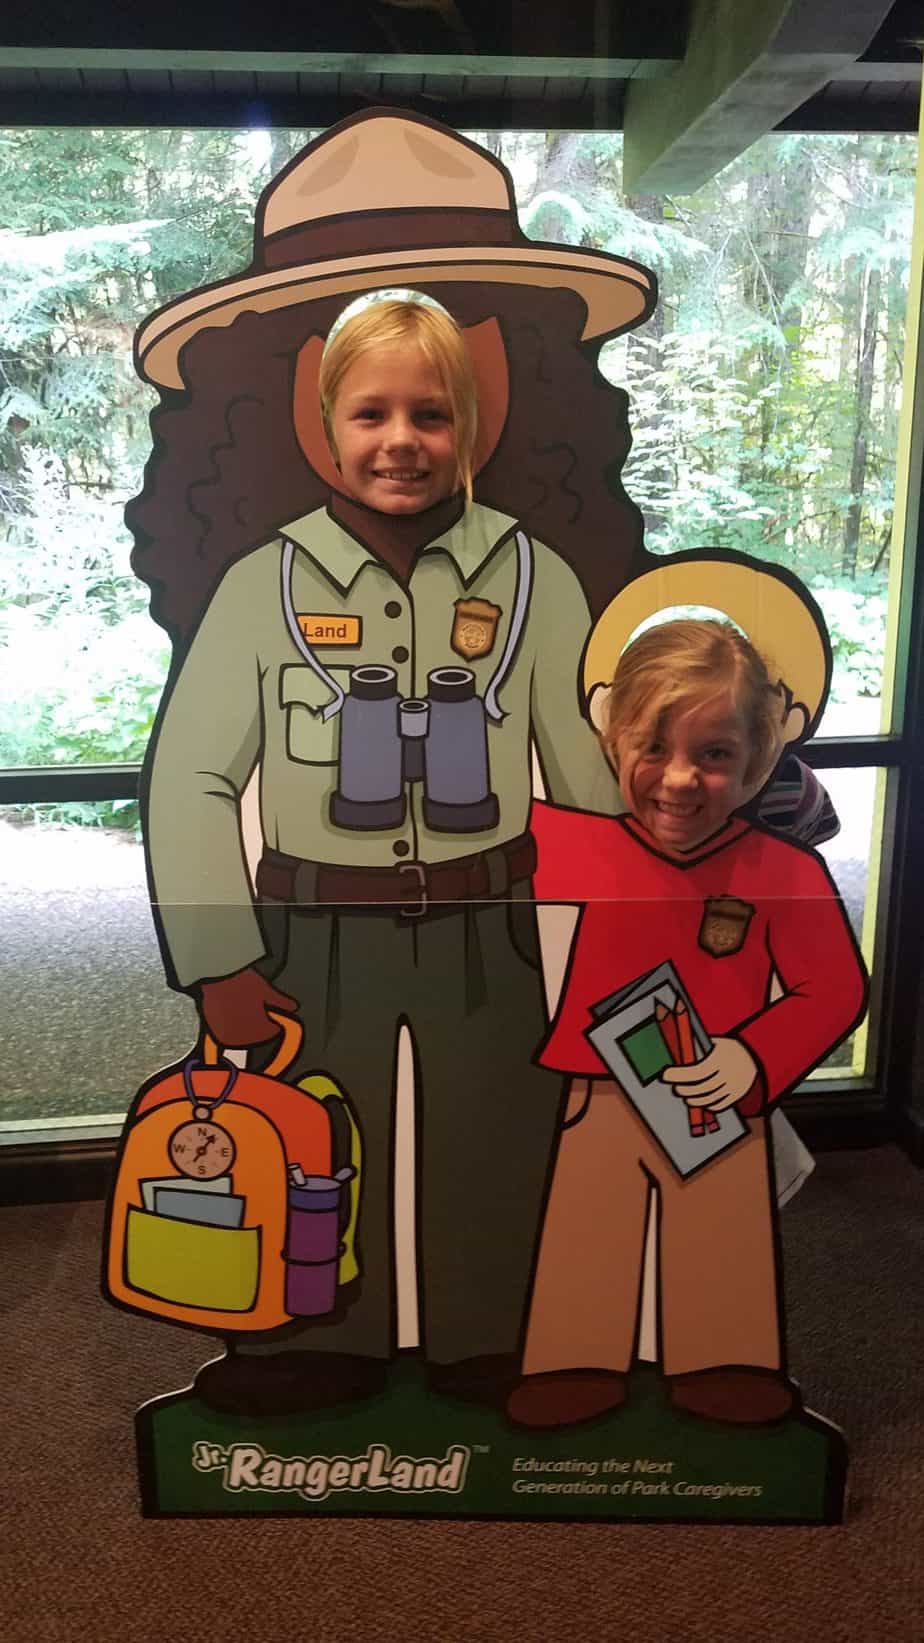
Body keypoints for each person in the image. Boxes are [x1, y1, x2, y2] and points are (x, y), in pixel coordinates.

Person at [143, 293, 613, 1416]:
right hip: (314, 930)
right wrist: (220, 959)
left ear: (470, 431)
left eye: (431, 414)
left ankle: (490, 1338)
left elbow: (589, 777)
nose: (401, 439)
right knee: (316, 1137)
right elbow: (192, 777)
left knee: (497, 1132)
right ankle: (318, 1341)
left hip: (484, 922)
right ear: (326, 427)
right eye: (371, 413)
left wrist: (639, 924)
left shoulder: (535, 580)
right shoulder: (266, 586)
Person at [506, 618, 868, 1430]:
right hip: (598, 1084)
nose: (678, 780)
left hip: (716, 1088)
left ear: (755, 761)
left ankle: (725, 1363)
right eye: (654, 749)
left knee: (720, 1232)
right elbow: (479, 825)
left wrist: (753, 1057)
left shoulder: (785, 871)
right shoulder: (570, 843)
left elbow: (833, 989)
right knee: (585, 1226)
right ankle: (572, 1361)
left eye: (713, 755)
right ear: (612, 742)